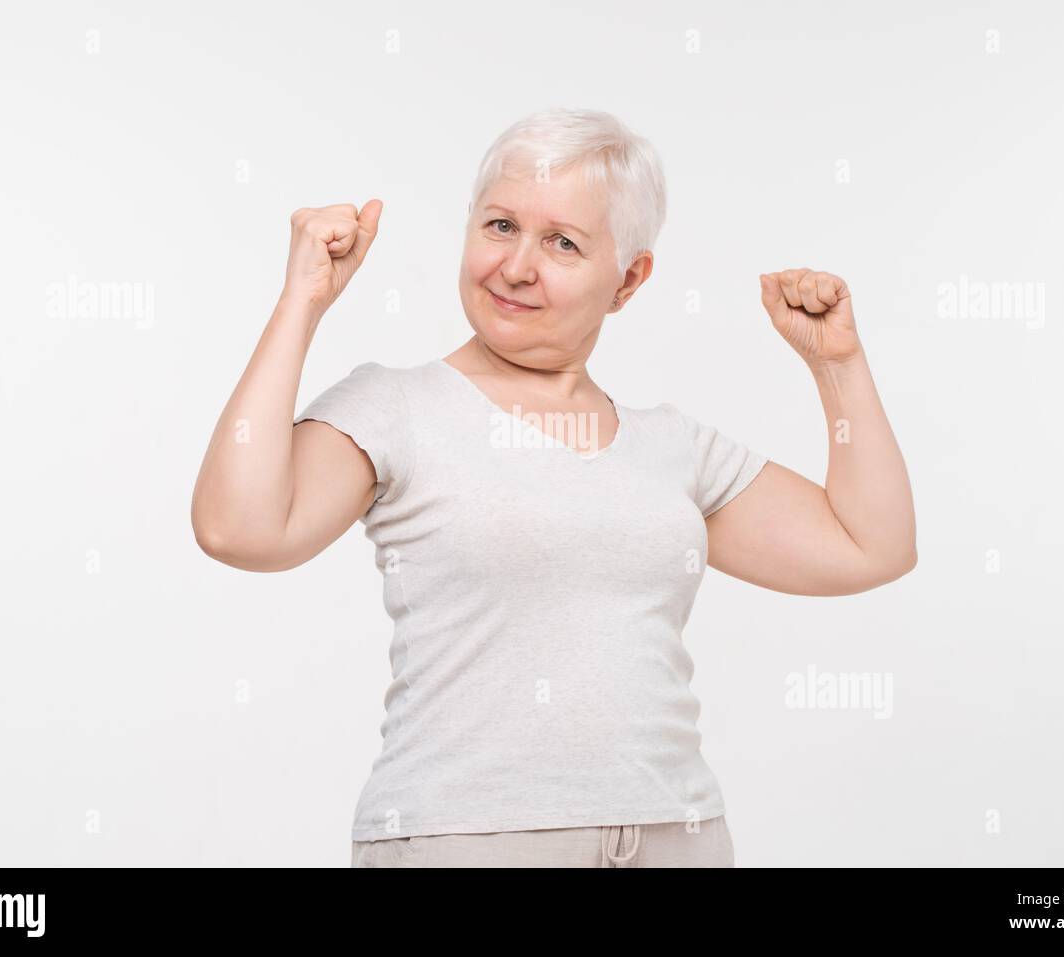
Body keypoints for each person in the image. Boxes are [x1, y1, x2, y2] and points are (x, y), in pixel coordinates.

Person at [190, 107, 917, 868]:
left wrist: (838, 366)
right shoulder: (395, 408)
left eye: (563, 242)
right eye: (500, 226)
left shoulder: (671, 447)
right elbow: (239, 528)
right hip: (466, 840)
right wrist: (299, 303)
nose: (516, 267)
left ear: (628, 280)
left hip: (677, 835)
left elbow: (872, 545)